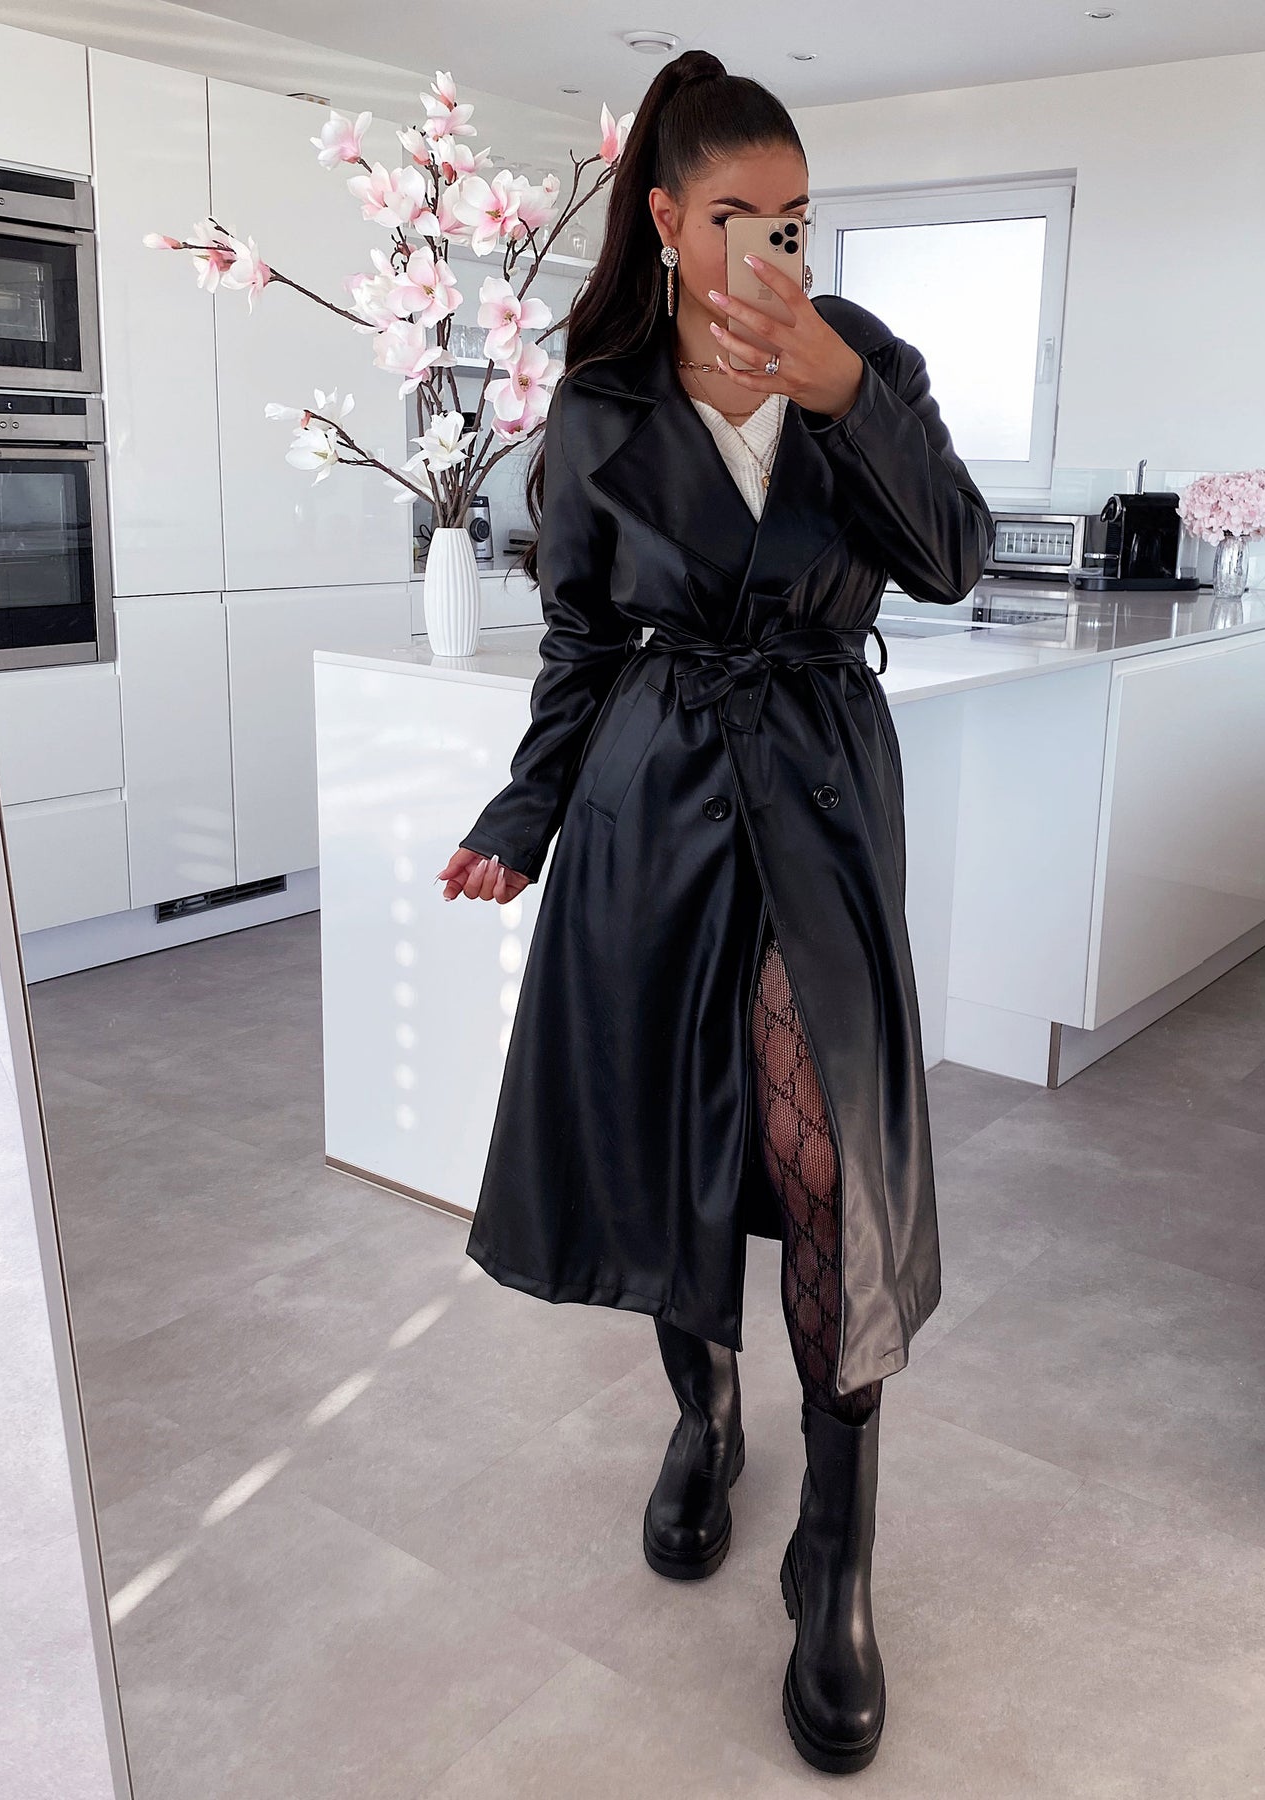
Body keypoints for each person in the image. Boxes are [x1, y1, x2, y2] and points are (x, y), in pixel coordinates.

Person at [436, 48, 993, 1776]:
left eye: (799, 216)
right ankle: (707, 1415)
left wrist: (843, 396)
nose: (776, 248)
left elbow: (953, 557)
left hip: (816, 792)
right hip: (658, 800)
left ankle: (837, 1554)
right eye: (740, 215)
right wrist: (525, 813)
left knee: (827, 1160)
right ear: (672, 224)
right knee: (683, 1136)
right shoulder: (602, 403)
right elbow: (581, 644)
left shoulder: (867, 362)